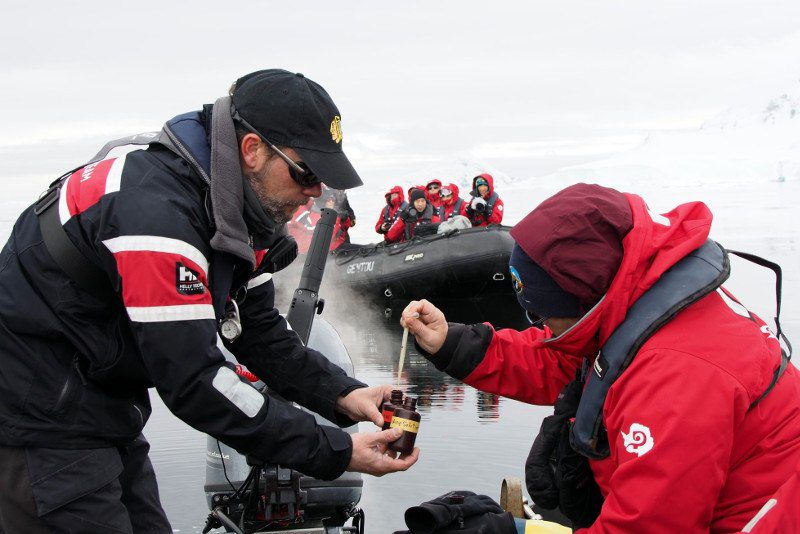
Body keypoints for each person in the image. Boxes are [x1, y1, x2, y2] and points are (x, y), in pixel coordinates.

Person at [0, 69, 418, 533]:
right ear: (252, 150)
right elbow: (195, 381)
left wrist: (346, 395)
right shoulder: (156, 219)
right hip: (39, 426)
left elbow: (260, 334)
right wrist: (339, 452)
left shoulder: (235, 215)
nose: (316, 191)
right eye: (307, 173)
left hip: (104, 410)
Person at [401, 183, 800, 532]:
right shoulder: (640, 300)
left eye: (542, 313)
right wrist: (450, 343)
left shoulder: (677, 376)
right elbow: (558, 356)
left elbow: (647, 529)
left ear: (586, 302)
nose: (538, 324)